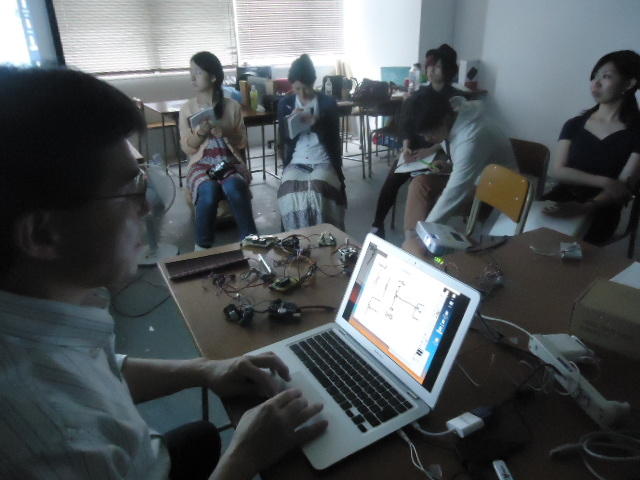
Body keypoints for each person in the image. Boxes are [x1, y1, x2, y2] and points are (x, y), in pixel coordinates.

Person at [0, 66, 326, 479]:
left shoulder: (47, 318)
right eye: (129, 188)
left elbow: (102, 366)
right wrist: (244, 458)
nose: (148, 207)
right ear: (42, 234)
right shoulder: (56, 440)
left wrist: (206, 369)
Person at [542, 50, 640, 243]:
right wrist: (606, 182)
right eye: (595, 77)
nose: (596, 83)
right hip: (562, 197)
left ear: (629, 84)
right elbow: (559, 170)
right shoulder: (574, 124)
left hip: (601, 209)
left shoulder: (636, 132)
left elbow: (622, 188)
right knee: (528, 239)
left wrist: (587, 206)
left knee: (566, 251)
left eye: (606, 76)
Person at [371, 44, 467, 238]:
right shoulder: (419, 95)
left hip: (440, 151)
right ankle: (377, 224)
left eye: (437, 67)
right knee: (392, 179)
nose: (431, 70)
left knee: (424, 185)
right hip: (414, 149)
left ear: (448, 70)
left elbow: (455, 135)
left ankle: (423, 231)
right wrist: (406, 146)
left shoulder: (457, 99)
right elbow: (407, 125)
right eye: (429, 66)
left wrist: (431, 150)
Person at [402, 87, 517, 247]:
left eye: (429, 133)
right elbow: (470, 160)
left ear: (444, 120)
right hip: (477, 178)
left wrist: (426, 233)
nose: (427, 139)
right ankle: (412, 240)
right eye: (423, 134)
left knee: (433, 205)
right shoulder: (452, 115)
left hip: (496, 193)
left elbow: (455, 193)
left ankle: (418, 244)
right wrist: (449, 166)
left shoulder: (472, 136)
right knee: (419, 184)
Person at [179, 51, 257, 249]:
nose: (192, 77)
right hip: (200, 165)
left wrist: (225, 131)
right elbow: (187, 147)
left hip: (228, 162)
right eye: (191, 72)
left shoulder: (232, 106)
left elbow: (242, 142)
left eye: (198, 72)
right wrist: (200, 133)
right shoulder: (187, 109)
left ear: (213, 77)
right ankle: (202, 248)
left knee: (235, 187)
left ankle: (251, 242)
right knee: (208, 190)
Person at [277, 54, 346, 230]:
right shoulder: (286, 103)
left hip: (323, 158)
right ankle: (295, 236)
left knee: (318, 189)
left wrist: (317, 123)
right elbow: (283, 139)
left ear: (313, 82)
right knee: (288, 190)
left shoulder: (328, 103)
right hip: (297, 159)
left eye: (305, 88)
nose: (302, 94)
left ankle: (325, 234)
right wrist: (290, 122)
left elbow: (334, 140)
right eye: (297, 89)